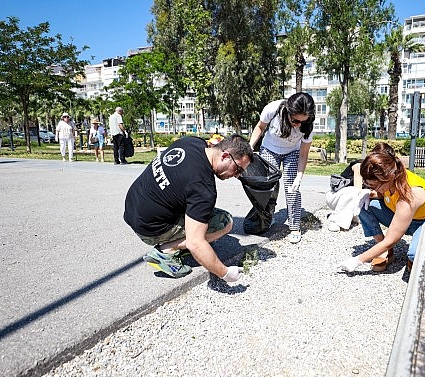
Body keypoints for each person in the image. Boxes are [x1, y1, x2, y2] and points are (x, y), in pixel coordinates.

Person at [123, 134, 254, 281]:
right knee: (225, 222)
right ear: (225, 156)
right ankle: (166, 251)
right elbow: (195, 243)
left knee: (198, 210)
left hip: (132, 207)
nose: (237, 176)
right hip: (149, 228)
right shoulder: (203, 188)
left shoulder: (192, 142)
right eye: (238, 169)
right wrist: (225, 273)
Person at [337, 142, 425, 274]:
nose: (372, 188)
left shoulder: (410, 194)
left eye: (374, 186)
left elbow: (391, 240)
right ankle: (385, 251)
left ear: (389, 178)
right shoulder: (391, 178)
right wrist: (368, 194)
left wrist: (357, 260)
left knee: (415, 255)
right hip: (405, 215)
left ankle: (411, 255)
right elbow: (383, 193)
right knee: (364, 204)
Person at [248, 92, 315, 244]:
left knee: (292, 189)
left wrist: (299, 177)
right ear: (288, 111)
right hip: (269, 149)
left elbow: (303, 155)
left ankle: (295, 227)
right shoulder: (273, 109)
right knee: (267, 187)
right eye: (295, 120)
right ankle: (265, 218)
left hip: (293, 152)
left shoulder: (308, 125)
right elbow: (260, 127)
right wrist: (250, 146)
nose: (298, 124)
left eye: (302, 122)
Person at [325, 160, 367, 232]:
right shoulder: (358, 166)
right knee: (354, 191)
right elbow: (358, 190)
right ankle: (337, 221)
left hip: (351, 199)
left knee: (367, 193)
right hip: (334, 197)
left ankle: (353, 216)